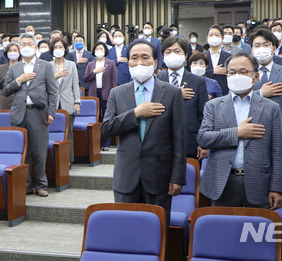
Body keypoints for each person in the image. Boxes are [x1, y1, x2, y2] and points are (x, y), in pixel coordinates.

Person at [100, 39, 185, 224]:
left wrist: (177, 177)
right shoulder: (117, 93)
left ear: (155, 63)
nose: (139, 63)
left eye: (145, 58)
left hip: (159, 176)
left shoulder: (172, 93)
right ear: (128, 62)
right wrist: (136, 113)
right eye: (134, 58)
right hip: (126, 176)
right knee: (126, 228)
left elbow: (179, 137)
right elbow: (106, 129)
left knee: (158, 230)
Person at [197, 52, 282, 209]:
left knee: (254, 231)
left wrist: (277, 188)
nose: (237, 76)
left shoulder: (271, 108)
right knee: (224, 232)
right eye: (232, 72)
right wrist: (237, 133)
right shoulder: (214, 106)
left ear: (256, 77)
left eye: (243, 72)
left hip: (258, 182)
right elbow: (203, 138)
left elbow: (277, 151)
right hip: (223, 182)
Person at [2, 33, 59, 197]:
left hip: (38, 113)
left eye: (30, 44)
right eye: (23, 44)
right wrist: (19, 80)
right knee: (22, 152)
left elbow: (53, 92)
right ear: (19, 48)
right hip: (19, 113)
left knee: (39, 151)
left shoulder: (46, 66)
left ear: (35, 47)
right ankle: (26, 184)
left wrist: (51, 112)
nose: (27, 47)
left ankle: (41, 184)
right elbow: (5, 90)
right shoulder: (14, 68)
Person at [249, 28, 282, 158]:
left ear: (274, 48)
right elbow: (237, 99)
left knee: (279, 174)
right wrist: (260, 93)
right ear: (251, 50)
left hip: (280, 132)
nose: (261, 48)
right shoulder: (245, 73)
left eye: (266, 45)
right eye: (257, 45)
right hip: (251, 132)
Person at [157, 36, 209, 160]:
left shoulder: (198, 82)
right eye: (168, 52)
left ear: (185, 55)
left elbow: (204, 115)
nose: (172, 55)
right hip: (161, 143)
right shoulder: (156, 81)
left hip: (190, 142)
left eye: (177, 51)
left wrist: (203, 143)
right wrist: (174, 94)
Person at [51, 37, 81, 163]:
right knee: (52, 132)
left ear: (65, 49)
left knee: (68, 133)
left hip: (67, 102)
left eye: (61, 47)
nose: (58, 49)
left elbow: (75, 85)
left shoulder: (71, 65)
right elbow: (44, 84)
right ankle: (54, 159)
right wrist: (55, 76)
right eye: (56, 47)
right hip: (52, 103)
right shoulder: (47, 65)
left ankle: (68, 160)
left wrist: (77, 103)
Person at [84, 42, 118, 151]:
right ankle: (96, 143)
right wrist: (94, 72)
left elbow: (114, 80)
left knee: (107, 118)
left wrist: (113, 94)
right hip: (94, 94)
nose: (99, 50)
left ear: (105, 51)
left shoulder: (111, 63)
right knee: (95, 119)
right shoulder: (90, 64)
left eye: (101, 49)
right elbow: (85, 78)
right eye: (97, 48)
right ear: (94, 51)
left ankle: (106, 143)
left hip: (107, 94)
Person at [205, 25, 233, 95]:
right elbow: (196, 75)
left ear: (222, 38)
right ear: (207, 38)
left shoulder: (229, 57)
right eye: (211, 35)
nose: (213, 37)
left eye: (216, 35)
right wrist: (213, 71)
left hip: (224, 93)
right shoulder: (202, 56)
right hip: (206, 93)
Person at [0, 43, 21, 110]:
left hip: (19, 99)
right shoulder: (1, 68)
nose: (12, 52)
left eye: (15, 50)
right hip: (4, 100)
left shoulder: (23, 67)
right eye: (10, 51)